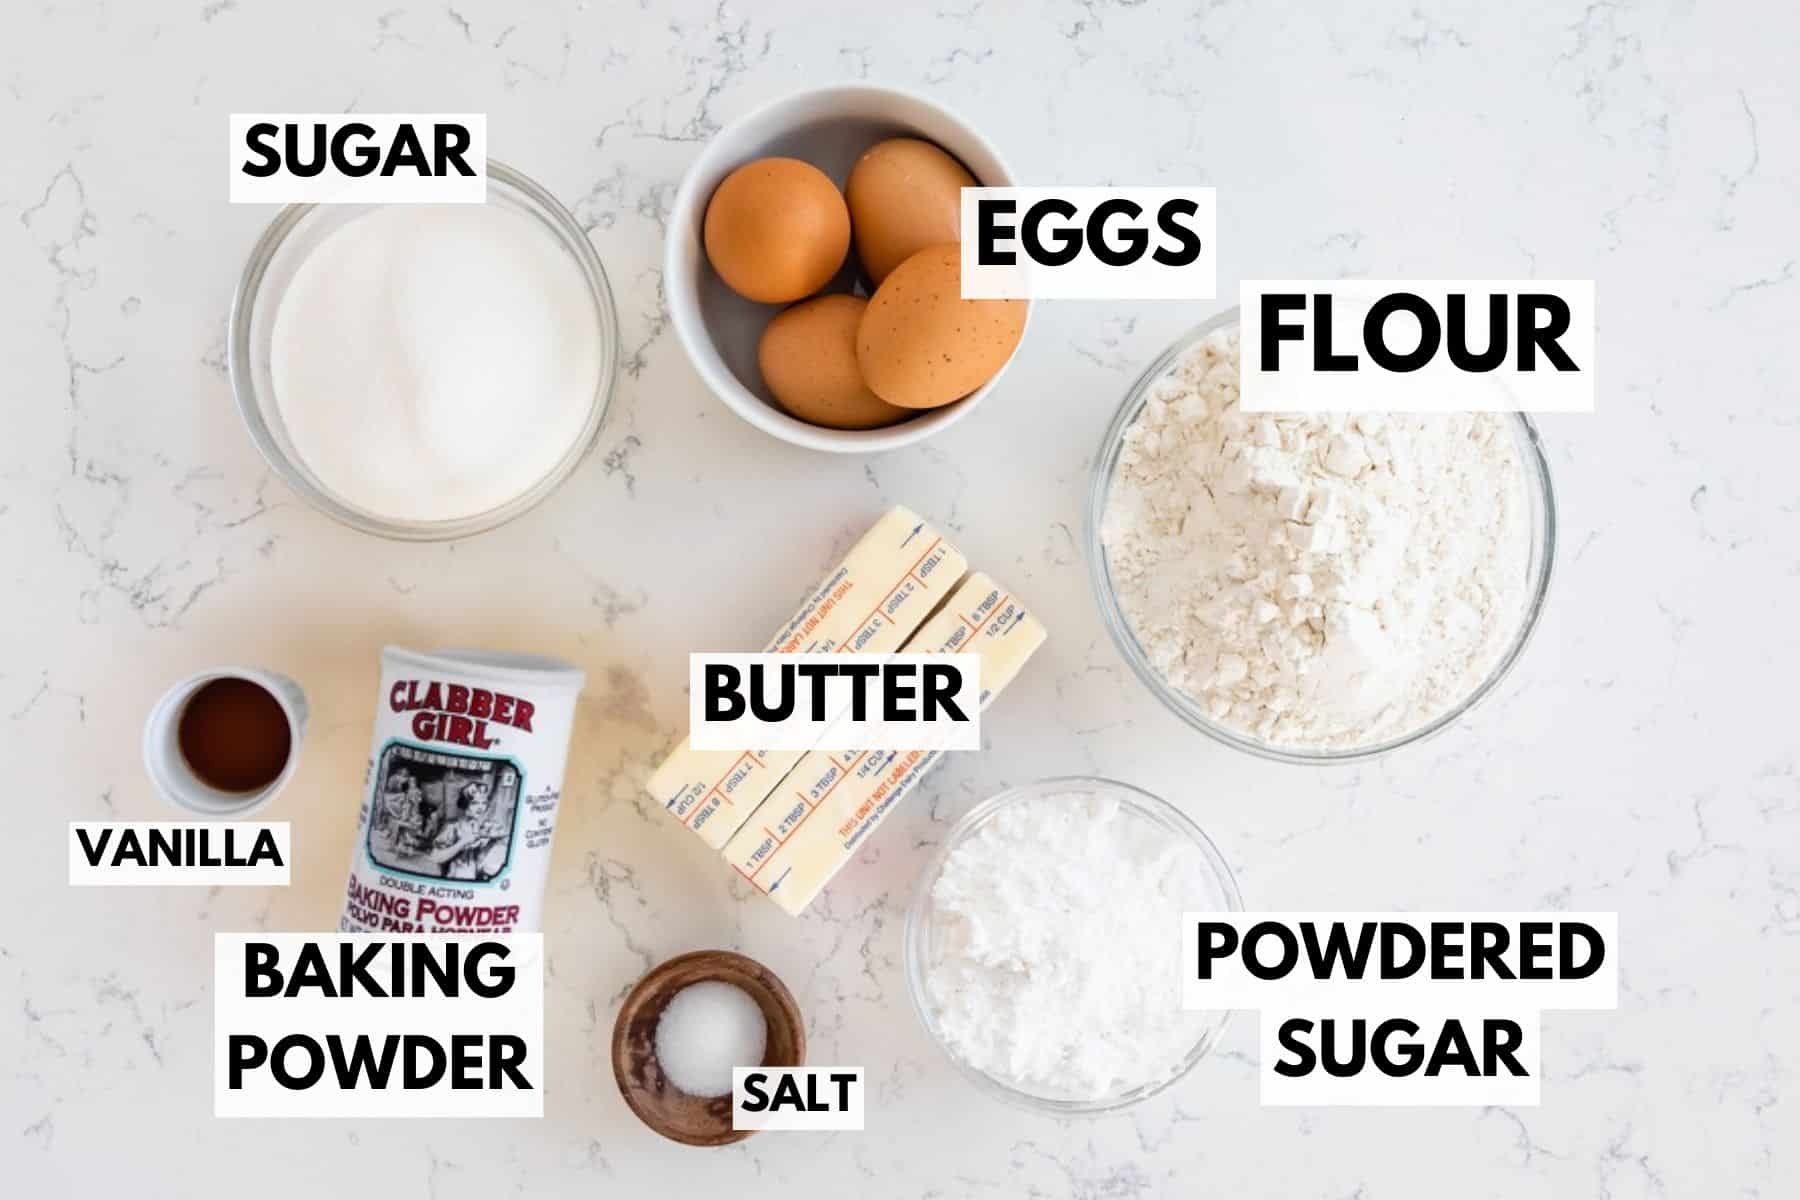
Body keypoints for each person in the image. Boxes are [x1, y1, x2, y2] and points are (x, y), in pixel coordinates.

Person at [428, 780, 509, 880]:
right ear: (465, 804)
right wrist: (462, 842)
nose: (480, 808)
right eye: (475, 803)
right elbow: (435, 858)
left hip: (473, 876)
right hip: (454, 877)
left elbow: (478, 860)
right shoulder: (453, 827)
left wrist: (492, 842)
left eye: (484, 803)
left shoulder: (479, 827)